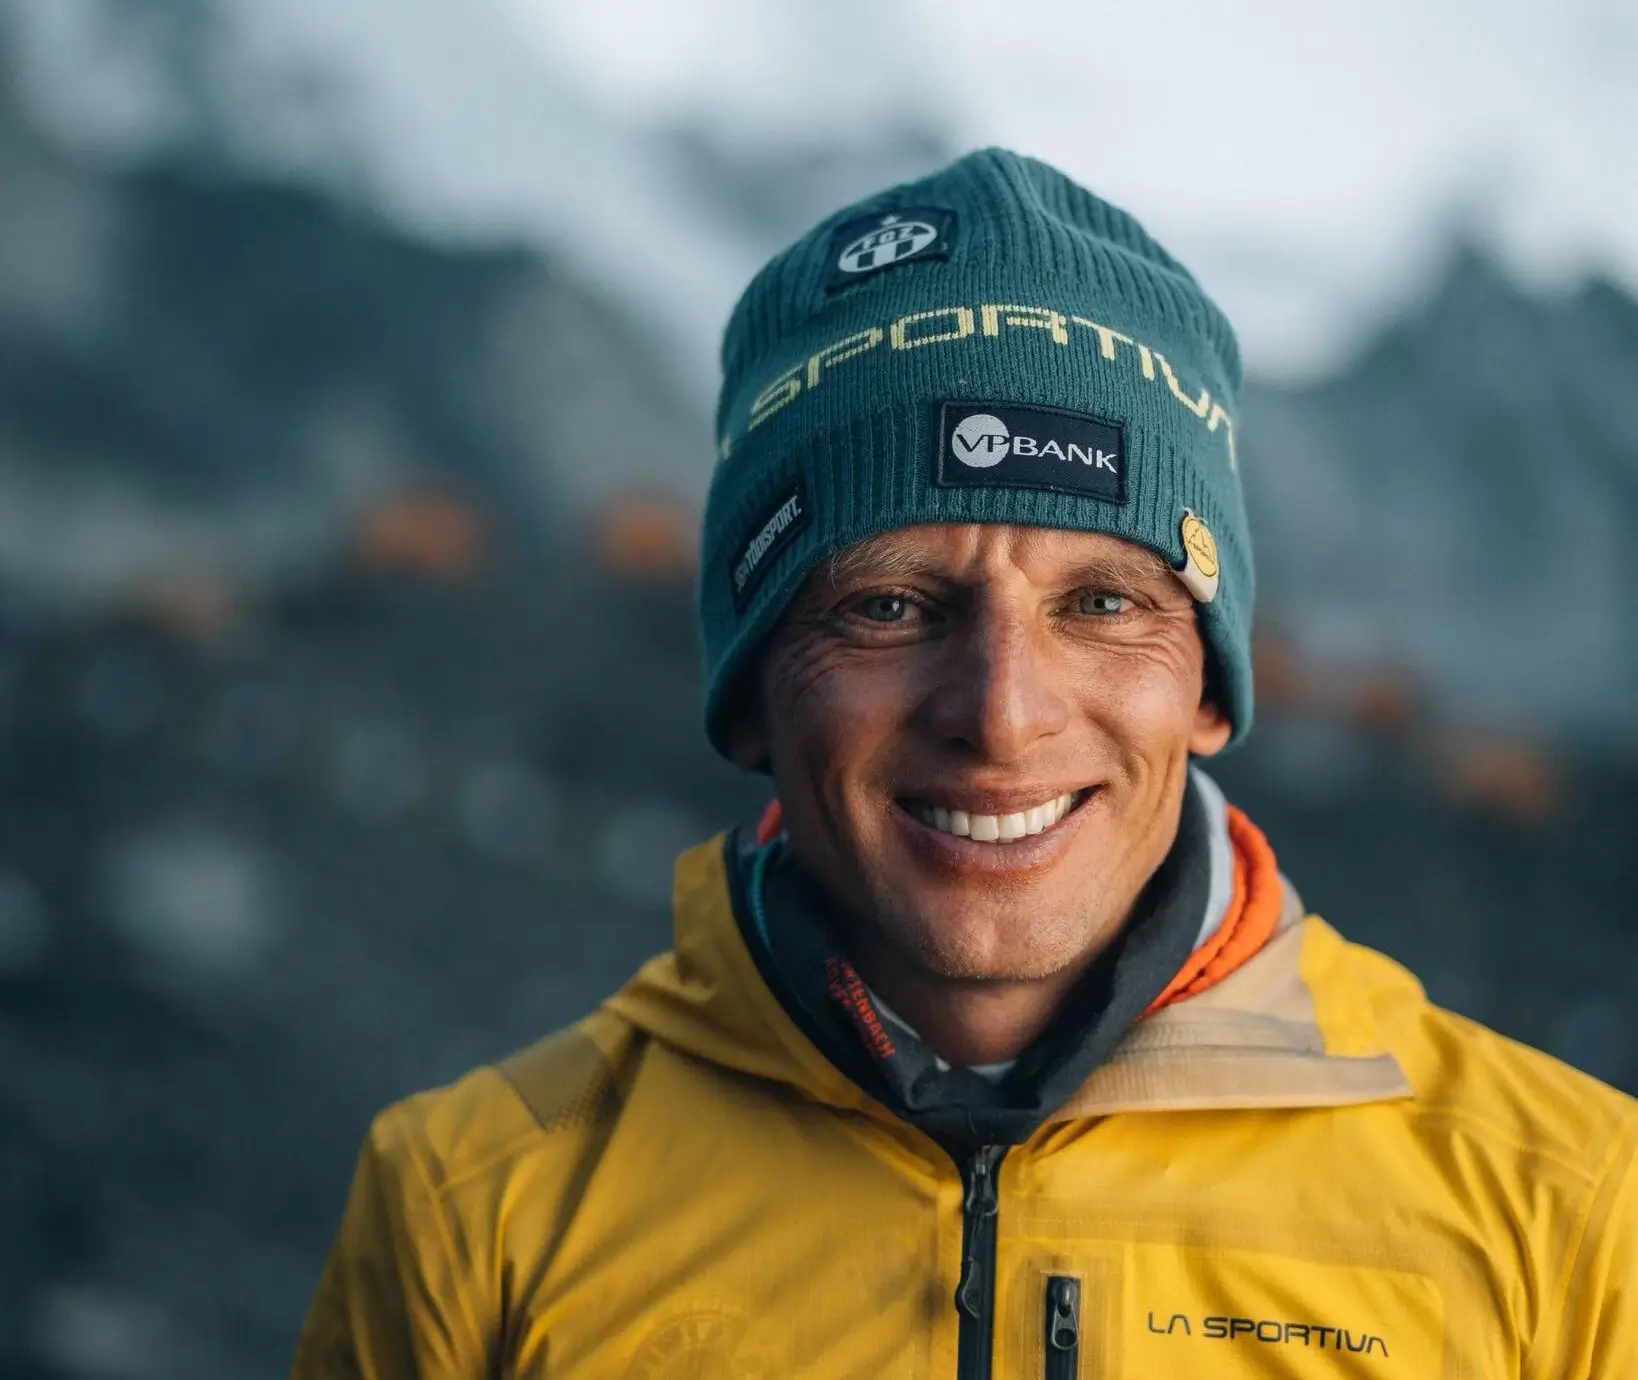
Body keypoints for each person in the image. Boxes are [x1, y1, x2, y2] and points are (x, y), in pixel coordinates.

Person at [291, 149, 1637, 1379]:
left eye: (1101, 603)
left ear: (1211, 689)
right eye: (887, 606)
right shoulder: (470, 1209)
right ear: (752, 688)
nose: (1000, 716)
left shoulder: (1569, 1215)